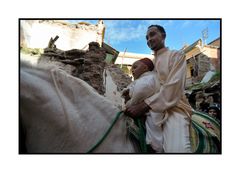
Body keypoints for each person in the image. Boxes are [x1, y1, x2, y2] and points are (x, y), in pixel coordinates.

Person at [125, 25, 193, 153]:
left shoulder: (176, 56)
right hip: (150, 111)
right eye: (146, 37)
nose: (149, 39)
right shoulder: (150, 64)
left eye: (152, 34)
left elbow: (173, 88)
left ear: (163, 36)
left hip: (174, 108)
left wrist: (144, 105)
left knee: (177, 150)